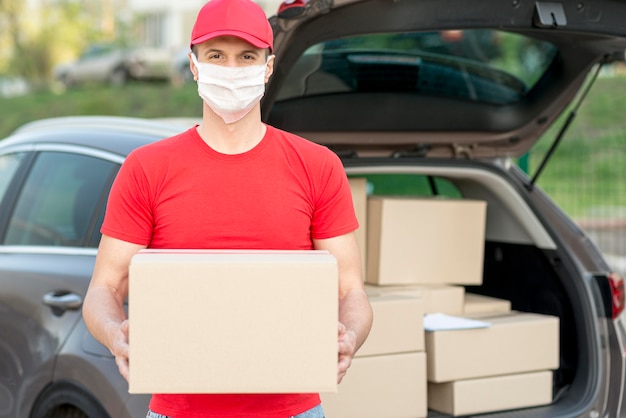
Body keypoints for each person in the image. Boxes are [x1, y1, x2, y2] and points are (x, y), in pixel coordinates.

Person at [82, 0, 373, 416]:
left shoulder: (318, 167)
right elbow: (103, 290)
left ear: (268, 67)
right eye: (217, 55)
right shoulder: (147, 169)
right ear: (194, 65)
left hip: (292, 410)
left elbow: (350, 291)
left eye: (247, 57)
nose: (232, 70)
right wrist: (116, 335)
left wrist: (351, 336)